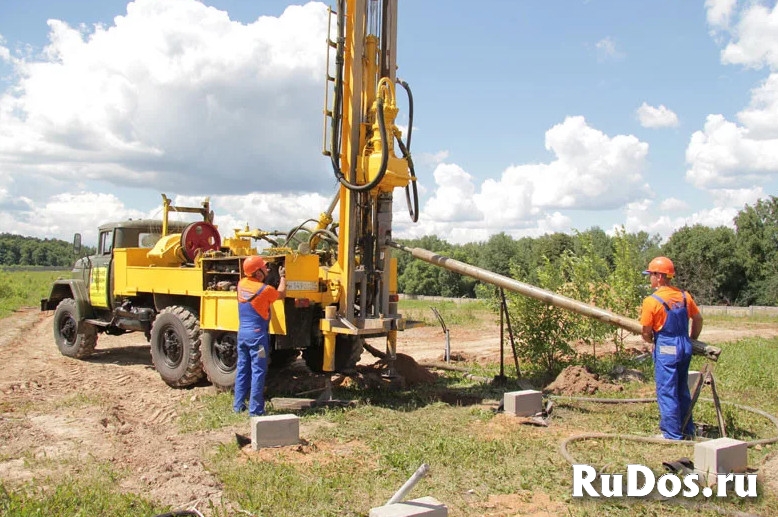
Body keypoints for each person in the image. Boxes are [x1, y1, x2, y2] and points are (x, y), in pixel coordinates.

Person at [640, 256, 703, 440]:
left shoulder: (651, 301)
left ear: (659, 276)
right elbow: (698, 319)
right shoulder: (684, 296)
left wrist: (651, 341)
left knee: (667, 390)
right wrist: (691, 339)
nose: (649, 278)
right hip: (684, 345)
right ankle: (687, 429)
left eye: (651, 274)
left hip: (667, 347)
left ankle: (672, 434)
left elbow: (645, 330)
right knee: (682, 388)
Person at [233, 255, 286, 417]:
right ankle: (255, 410)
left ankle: (238, 406)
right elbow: (281, 294)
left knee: (242, 369)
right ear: (257, 272)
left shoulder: (241, 285)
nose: (267, 269)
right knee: (258, 371)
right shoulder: (265, 290)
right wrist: (283, 277)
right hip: (257, 338)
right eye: (264, 268)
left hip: (242, 335)